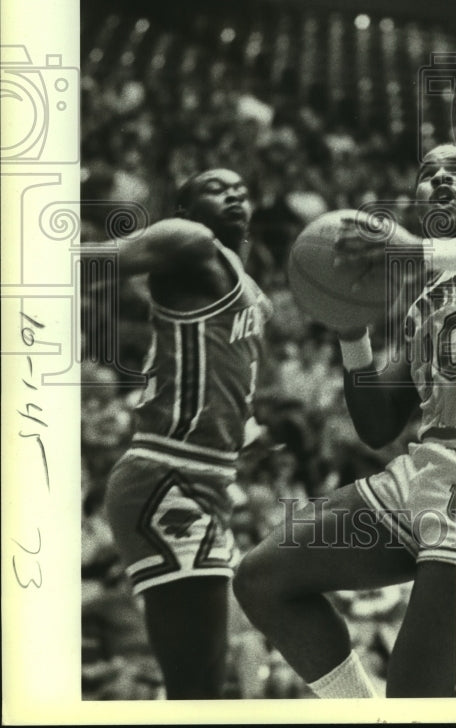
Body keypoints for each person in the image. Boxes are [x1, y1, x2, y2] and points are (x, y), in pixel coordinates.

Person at [233, 143, 456, 697]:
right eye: (426, 173)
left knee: (414, 694)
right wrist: (350, 330)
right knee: (262, 578)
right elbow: (378, 424)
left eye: (455, 169)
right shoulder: (421, 299)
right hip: (421, 472)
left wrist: (422, 252)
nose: (438, 178)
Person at [104, 168, 274, 698]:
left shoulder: (248, 287)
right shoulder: (189, 241)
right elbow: (92, 265)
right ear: (183, 209)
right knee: (196, 690)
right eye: (216, 188)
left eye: (242, 189)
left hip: (207, 478)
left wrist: (245, 428)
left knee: (202, 685)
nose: (235, 193)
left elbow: (214, 369)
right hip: (166, 474)